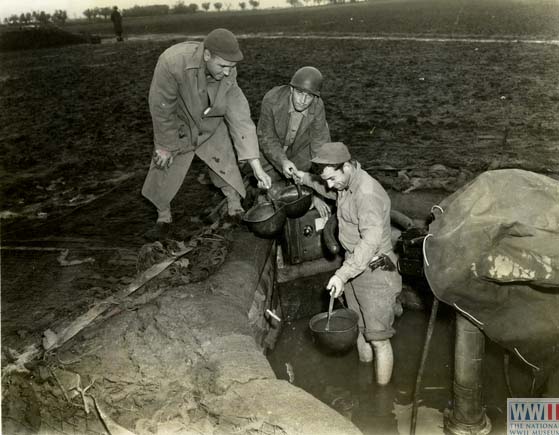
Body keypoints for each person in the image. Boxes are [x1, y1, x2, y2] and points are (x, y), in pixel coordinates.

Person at [141, 28, 271, 239]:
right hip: (179, 123)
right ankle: (163, 218)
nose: (228, 72)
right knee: (164, 166)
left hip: (210, 120)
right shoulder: (172, 62)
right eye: (223, 66)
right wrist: (165, 145)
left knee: (225, 162)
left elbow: (240, 118)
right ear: (207, 55)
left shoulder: (227, 71)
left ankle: (234, 208)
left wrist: (255, 166)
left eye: (232, 67)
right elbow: (161, 107)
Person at [294, 142, 402, 385]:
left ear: (347, 167)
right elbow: (325, 186)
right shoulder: (345, 183)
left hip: (375, 272)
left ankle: (381, 403)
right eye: (326, 180)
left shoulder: (367, 195)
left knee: (378, 339)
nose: (330, 185)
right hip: (355, 266)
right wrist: (302, 177)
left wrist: (342, 275)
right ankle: (365, 383)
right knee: (360, 330)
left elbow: (369, 243)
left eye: (333, 178)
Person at [257, 66, 331, 217]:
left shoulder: (318, 106)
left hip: (298, 152)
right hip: (270, 152)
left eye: (309, 96)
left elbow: (320, 147)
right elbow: (267, 138)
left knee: (301, 194)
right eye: (299, 93)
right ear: (291, 89)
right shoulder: (272, 99)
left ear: (315, 97)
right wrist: (283, 161)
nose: (303, 100)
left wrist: (317, 193)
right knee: (270, 191)